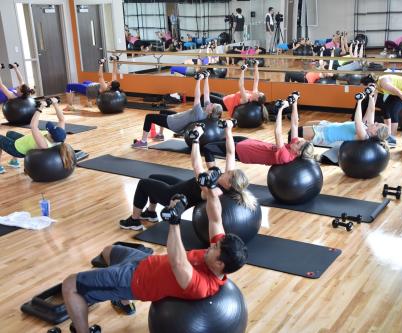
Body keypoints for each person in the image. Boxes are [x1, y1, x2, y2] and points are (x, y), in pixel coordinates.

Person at [62, 173, 248, 333]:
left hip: (134, 281)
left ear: (219, 264)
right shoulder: (218, 256)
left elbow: (178, 262)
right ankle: (122, 302)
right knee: (108, 251)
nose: (210, 246)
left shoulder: (203, 285)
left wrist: (174, 223)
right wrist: (210, 188)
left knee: (70, 285)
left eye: (214, 249)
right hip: (145, 261)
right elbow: (215, 219)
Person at [121, 122, 256, 230]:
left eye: (231, 173)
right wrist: (228, 130)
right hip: (182, 186)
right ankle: (150, 213)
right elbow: (230, 153)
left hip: (173, 196)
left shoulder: (215, 191)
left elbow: (196, 165)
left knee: (144, 184)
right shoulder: (227, 180)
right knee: (152, 177)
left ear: (230, 183)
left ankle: (134, 220)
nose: (229, 170)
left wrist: (196, 140)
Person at [203, 92, 316, 166]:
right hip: (247, 141)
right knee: (213, 142)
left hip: (241, 151)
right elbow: (295, 124)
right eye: (301, 140)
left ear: (298, 152)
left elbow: (278, 133)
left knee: (207, 148)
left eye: (299, 143)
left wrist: (280, 110)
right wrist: (295, 102)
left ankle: (214, 174)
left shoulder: (285, 157)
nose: (298, 140)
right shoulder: (295, 146)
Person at [131, 70, 223, 148]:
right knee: (162, 111)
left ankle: (143, 142)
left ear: (211, 111)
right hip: (178, 117)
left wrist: (198, 80)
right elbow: (206, 93)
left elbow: (197, 97)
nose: (210, 103)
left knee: (149, 117)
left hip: (174, 123)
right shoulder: (207, 110)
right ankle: (160, 135)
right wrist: (206, 78)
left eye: (212, 105)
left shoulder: (199, 113)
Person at [0, 98, 73, 174]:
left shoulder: (44, 144)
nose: (48, 130)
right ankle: (14, 162)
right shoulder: (59, 136)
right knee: (9, 133)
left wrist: (40, 108)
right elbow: (61, 119)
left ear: (50, 136)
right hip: (24, 142)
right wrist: (55, 104)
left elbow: (33, 126)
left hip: (17, 150)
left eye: (49, 131)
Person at [297, 90, 389, 149]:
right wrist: (371, 96)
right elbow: (372, 111)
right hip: (329, 125)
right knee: (306, 123)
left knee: (296, 133)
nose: (376, 122)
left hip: (324, 135)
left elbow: (358, 121)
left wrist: (360, 102)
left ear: (374, 133)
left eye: (377, 125)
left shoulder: (364, 136)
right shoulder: (368, 126)